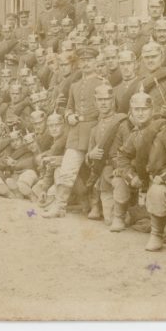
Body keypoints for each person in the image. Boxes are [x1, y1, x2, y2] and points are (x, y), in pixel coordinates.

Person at [115, 87, 166, 249]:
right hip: (147, 180)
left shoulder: (163, 129)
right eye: (136, 110)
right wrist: (132, 177)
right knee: (120, 179)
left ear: (152, 110)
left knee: (157, 191)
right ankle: (124, 217)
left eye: (144, 109)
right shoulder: (135, 134)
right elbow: (122, 156)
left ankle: (157, 234)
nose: (140, 113)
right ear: (131, 111)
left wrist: (165, 176)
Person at [42, 47, 105, 218]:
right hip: (76, 133)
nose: (86, 64)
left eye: (89, 60)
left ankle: (95, 206)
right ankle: (60, 206)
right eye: (83, 61)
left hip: (94, 132)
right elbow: (68, 107)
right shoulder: (75, 85)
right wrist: (69, 116)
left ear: (96, 62)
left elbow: (106, 111)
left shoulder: (102, 83)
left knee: (95, 171)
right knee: (67, 169)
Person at [82, 83, 131, 226]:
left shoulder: (122, 122)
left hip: (119, 171)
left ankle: (128, 213)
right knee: (108, 220)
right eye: (100, 100)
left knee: (122, 218)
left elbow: (131, 149)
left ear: (112, 100)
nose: (103, 103)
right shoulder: (94, 129)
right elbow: (87, 157)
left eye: (107, 99)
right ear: (95, 102)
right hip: (103, 175)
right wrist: (91, 155)